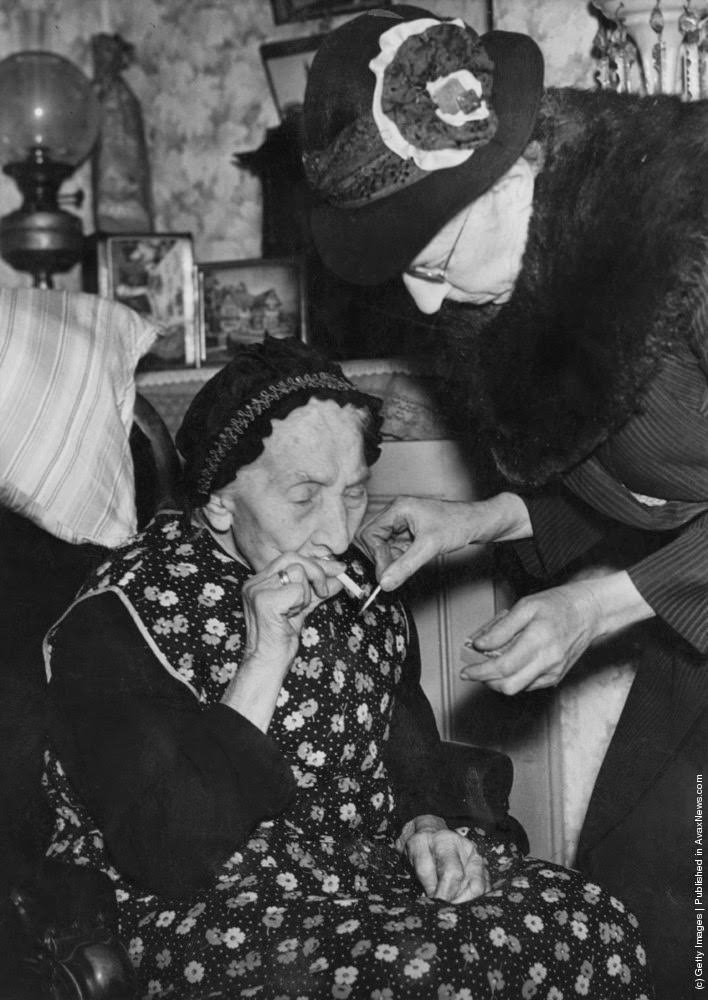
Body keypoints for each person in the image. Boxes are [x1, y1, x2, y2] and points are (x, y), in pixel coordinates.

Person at [42, 336, 653, 999]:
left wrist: (426, 827)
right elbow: (168, 851)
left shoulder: (355, 583)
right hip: (200, 904)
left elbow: (406, 751)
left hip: (356, 879)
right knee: (420, 971)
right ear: (218, 501)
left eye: (355, 492)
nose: (337, 534)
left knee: (595, 923)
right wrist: (264, 656)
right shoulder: (123, 614)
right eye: (304, 495)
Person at [301, 6, 708, 998]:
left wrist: (600, 606)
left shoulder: (689, 242)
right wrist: (476, 520)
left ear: (514, 169)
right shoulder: (528, 281)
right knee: (640, 890)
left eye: (433, 257)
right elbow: (651, 484)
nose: (427, 301)